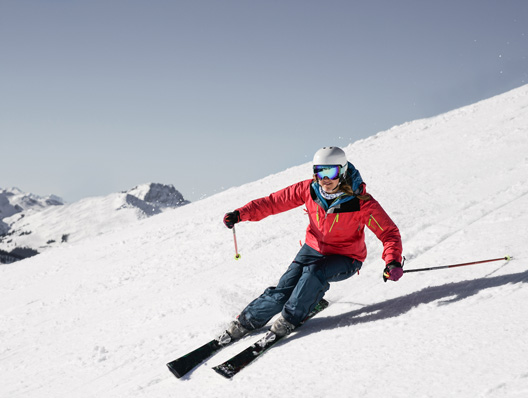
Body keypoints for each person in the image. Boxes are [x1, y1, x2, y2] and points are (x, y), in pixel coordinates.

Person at [221, 146, 403, 341]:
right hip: (313, 249)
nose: (324, 179)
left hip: (347, 257)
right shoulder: (309, 190)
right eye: (319, 172)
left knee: (313, 274)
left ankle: (289, 319)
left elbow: (389, 233)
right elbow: (273, 202)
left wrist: (392, 261)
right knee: (283, 290)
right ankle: (247, 321)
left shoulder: (361, 203)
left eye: (330, 172)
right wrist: (240, 214)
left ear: (342, 171)